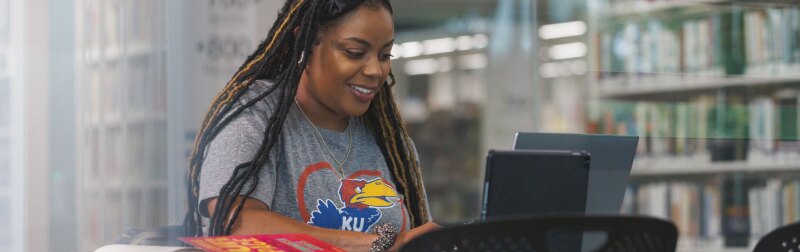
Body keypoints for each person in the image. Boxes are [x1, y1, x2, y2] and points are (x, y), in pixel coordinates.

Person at [183, 0, 440, 251]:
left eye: (384, 55)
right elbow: (236, 224)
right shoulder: (255, 116)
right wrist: (381, 244)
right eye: (355, 53)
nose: (375, 70)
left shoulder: (391, 142)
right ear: (304, 43)